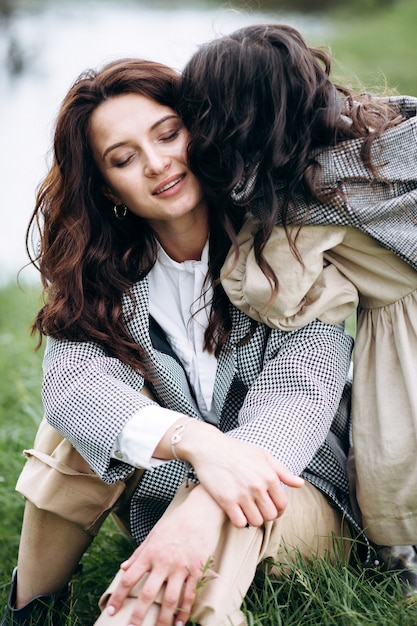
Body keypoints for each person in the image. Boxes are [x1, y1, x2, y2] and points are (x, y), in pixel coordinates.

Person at [1, 57, 359, 626]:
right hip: (177, 477)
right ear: (107, 185)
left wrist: (201, 502)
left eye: (168, 134)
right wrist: (197, 444)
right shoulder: (105, 271)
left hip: (297, 494)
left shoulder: (284, 239)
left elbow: (300, 398)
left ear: (203, 130)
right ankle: (29, 610)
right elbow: (72, 388)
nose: (157, 163)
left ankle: (152, 607)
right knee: (72, 429)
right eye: (124, 158)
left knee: (233, 508)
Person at [178, 23, 417, 574]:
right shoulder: (385, 141)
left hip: (402, 338)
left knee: (395, 455)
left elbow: (270, 296)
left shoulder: (309, 201)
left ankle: (403, 561)